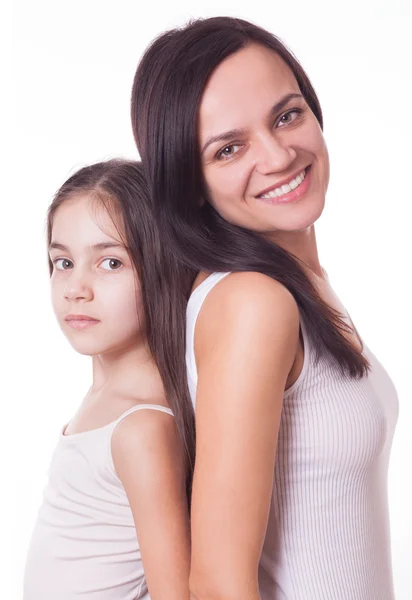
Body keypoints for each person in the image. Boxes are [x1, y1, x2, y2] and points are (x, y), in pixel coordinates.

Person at [131, 16, 399, 600]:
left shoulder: (298, 285)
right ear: (191, 180)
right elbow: (220, 584)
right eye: (229, 149)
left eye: (287, 115)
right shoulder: (253, 301)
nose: (279, 156)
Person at [23, 160, 193, 600]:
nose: (75, 287)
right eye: (62, 261)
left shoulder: (142, 427)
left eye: (110, 262)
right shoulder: (106, 396)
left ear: (162, 267)